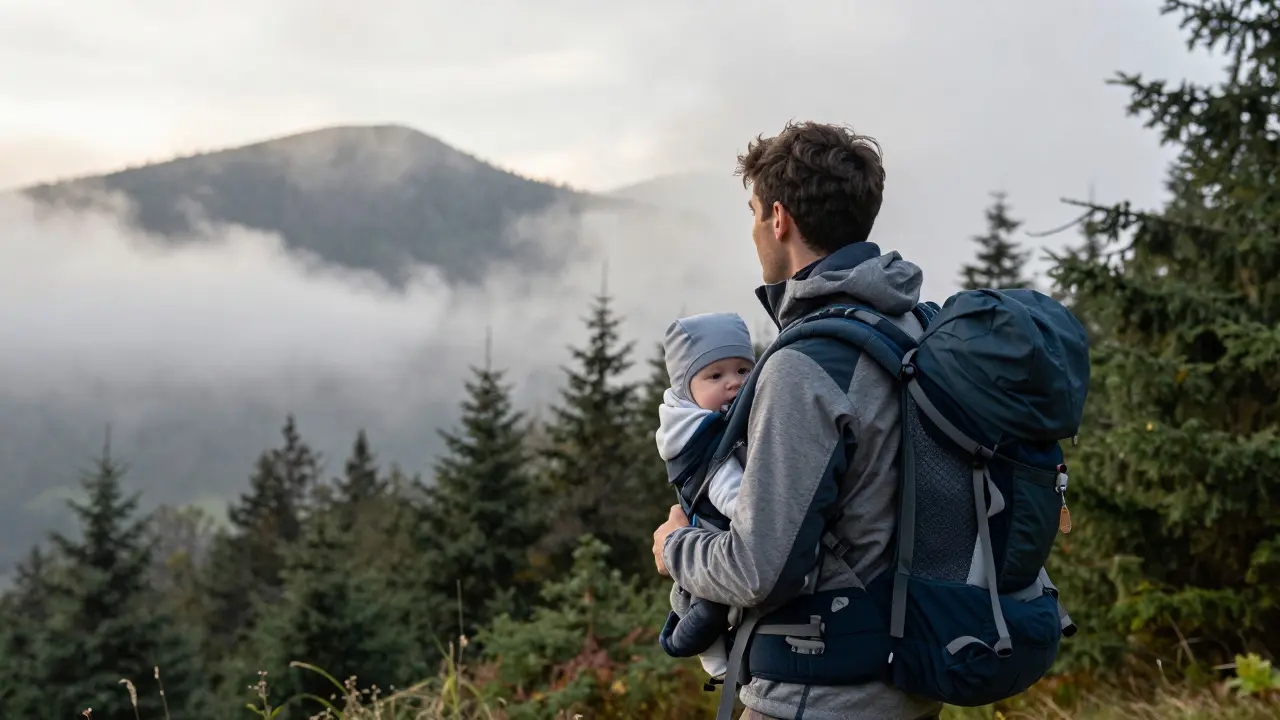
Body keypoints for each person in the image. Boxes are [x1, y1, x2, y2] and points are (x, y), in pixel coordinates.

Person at [652, 121, 945, 720]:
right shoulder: (909, 326)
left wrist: (675, 548)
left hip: (817, 693)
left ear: (779, 219)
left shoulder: (806, 365)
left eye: (755, 212)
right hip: (906, 679)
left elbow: (758, 569)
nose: (756, 230)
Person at [653, 312, 755, 681]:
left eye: (744, 371)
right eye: (715, 375)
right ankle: (716, 665)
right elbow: (727, 488)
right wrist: (757, 509)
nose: (733, 383)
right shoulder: (703, 436)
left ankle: (719, 663)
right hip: (716, 533)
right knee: (711, 605)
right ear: (686, 387)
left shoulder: (721, 422)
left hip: (709, 536)